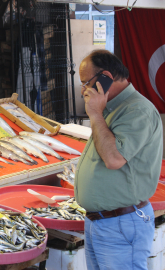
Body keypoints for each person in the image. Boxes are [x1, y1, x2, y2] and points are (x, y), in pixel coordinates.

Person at [75, 49, 163, 270]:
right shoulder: (110, 107)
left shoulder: (137, 110)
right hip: (102, 222)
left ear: (106, 76)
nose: (83, 90)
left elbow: (114, 159)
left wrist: (94, 114)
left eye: (86, 83)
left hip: (122, 223)